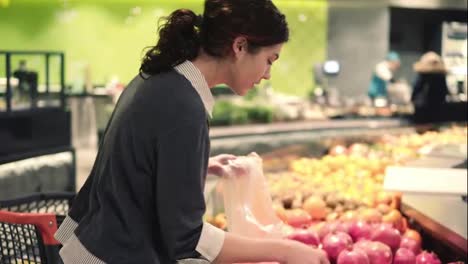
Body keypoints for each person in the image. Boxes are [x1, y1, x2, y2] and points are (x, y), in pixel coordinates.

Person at [55, 1, 329, 264]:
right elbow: (187, 238)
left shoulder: (158, 80)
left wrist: (199, 166)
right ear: (240, 46)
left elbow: (135, 162)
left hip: (91, 245)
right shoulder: (184, 106)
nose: (268, 74)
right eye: (270, 60)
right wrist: (284, 251)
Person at [411, 51, 449, 123]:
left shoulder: (423, 76)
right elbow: (445, 91)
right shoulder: (440, 76)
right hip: (436, 107)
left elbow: (416, 90)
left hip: (423, 108)